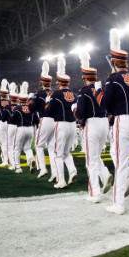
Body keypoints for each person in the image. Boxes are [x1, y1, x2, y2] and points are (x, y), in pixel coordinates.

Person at [94, 28, 129, 215]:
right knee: (116, 152)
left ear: (114, 62)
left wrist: (98, 92)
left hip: (123, 119)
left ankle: (118, 203)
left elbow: (106, 105)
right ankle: (128, 176)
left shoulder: (113, 79)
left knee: (120, 161)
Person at [77, 50, 112, 202]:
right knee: (95, 155)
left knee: (90, 159)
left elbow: (81, 112)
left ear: (85, 77)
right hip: (104, 122)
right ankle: (105, 174)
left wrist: (79, 118)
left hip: (92, 123)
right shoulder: (100, 89)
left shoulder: (84, 91)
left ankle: (94, 193)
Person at [46, 57, 77, 188]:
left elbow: (49, 112)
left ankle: (61, 181)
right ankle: (72, 170)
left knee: (58, 154)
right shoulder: (74, 94)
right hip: (73, 125)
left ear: (59, 82)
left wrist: (48, 102)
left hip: (62, 124)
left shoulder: (56, 94)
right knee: (66, 153)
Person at [29, 62, 54, 179]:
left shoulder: (39, 94)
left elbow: (31, 109)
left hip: (45, 120)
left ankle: (42, 168)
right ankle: (55, 172)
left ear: (42, 83)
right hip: (56, 121)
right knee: (52, 147)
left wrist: (30, 100)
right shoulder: (55, 93)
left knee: (39, 146)